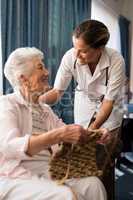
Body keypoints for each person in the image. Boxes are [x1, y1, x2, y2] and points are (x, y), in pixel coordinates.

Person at [0, 47, 107, 200]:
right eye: (40, 67)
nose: (47, 72)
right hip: (14, 173)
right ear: (23, 78)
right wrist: (57, 136)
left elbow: (66, 130)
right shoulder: (7, 104)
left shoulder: (44, 109)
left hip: (47, 167)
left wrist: (95, 135)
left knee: (93, 185)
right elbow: (10, 146)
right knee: (66, 196)